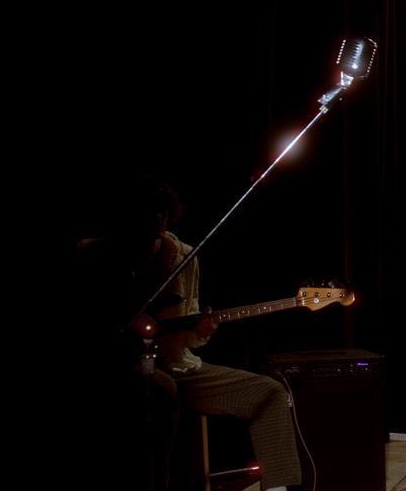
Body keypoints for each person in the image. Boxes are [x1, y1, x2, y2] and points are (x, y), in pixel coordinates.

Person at [75, 173, 303, 491]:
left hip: (179, 366)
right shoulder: (95, 254)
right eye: (148, 211)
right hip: (123, 370)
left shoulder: (184, 255)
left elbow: (186, 335)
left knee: (270, 393)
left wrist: (202, 330)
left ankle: (280, 488)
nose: (157, 219)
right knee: (161, 392)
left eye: (162, 211)